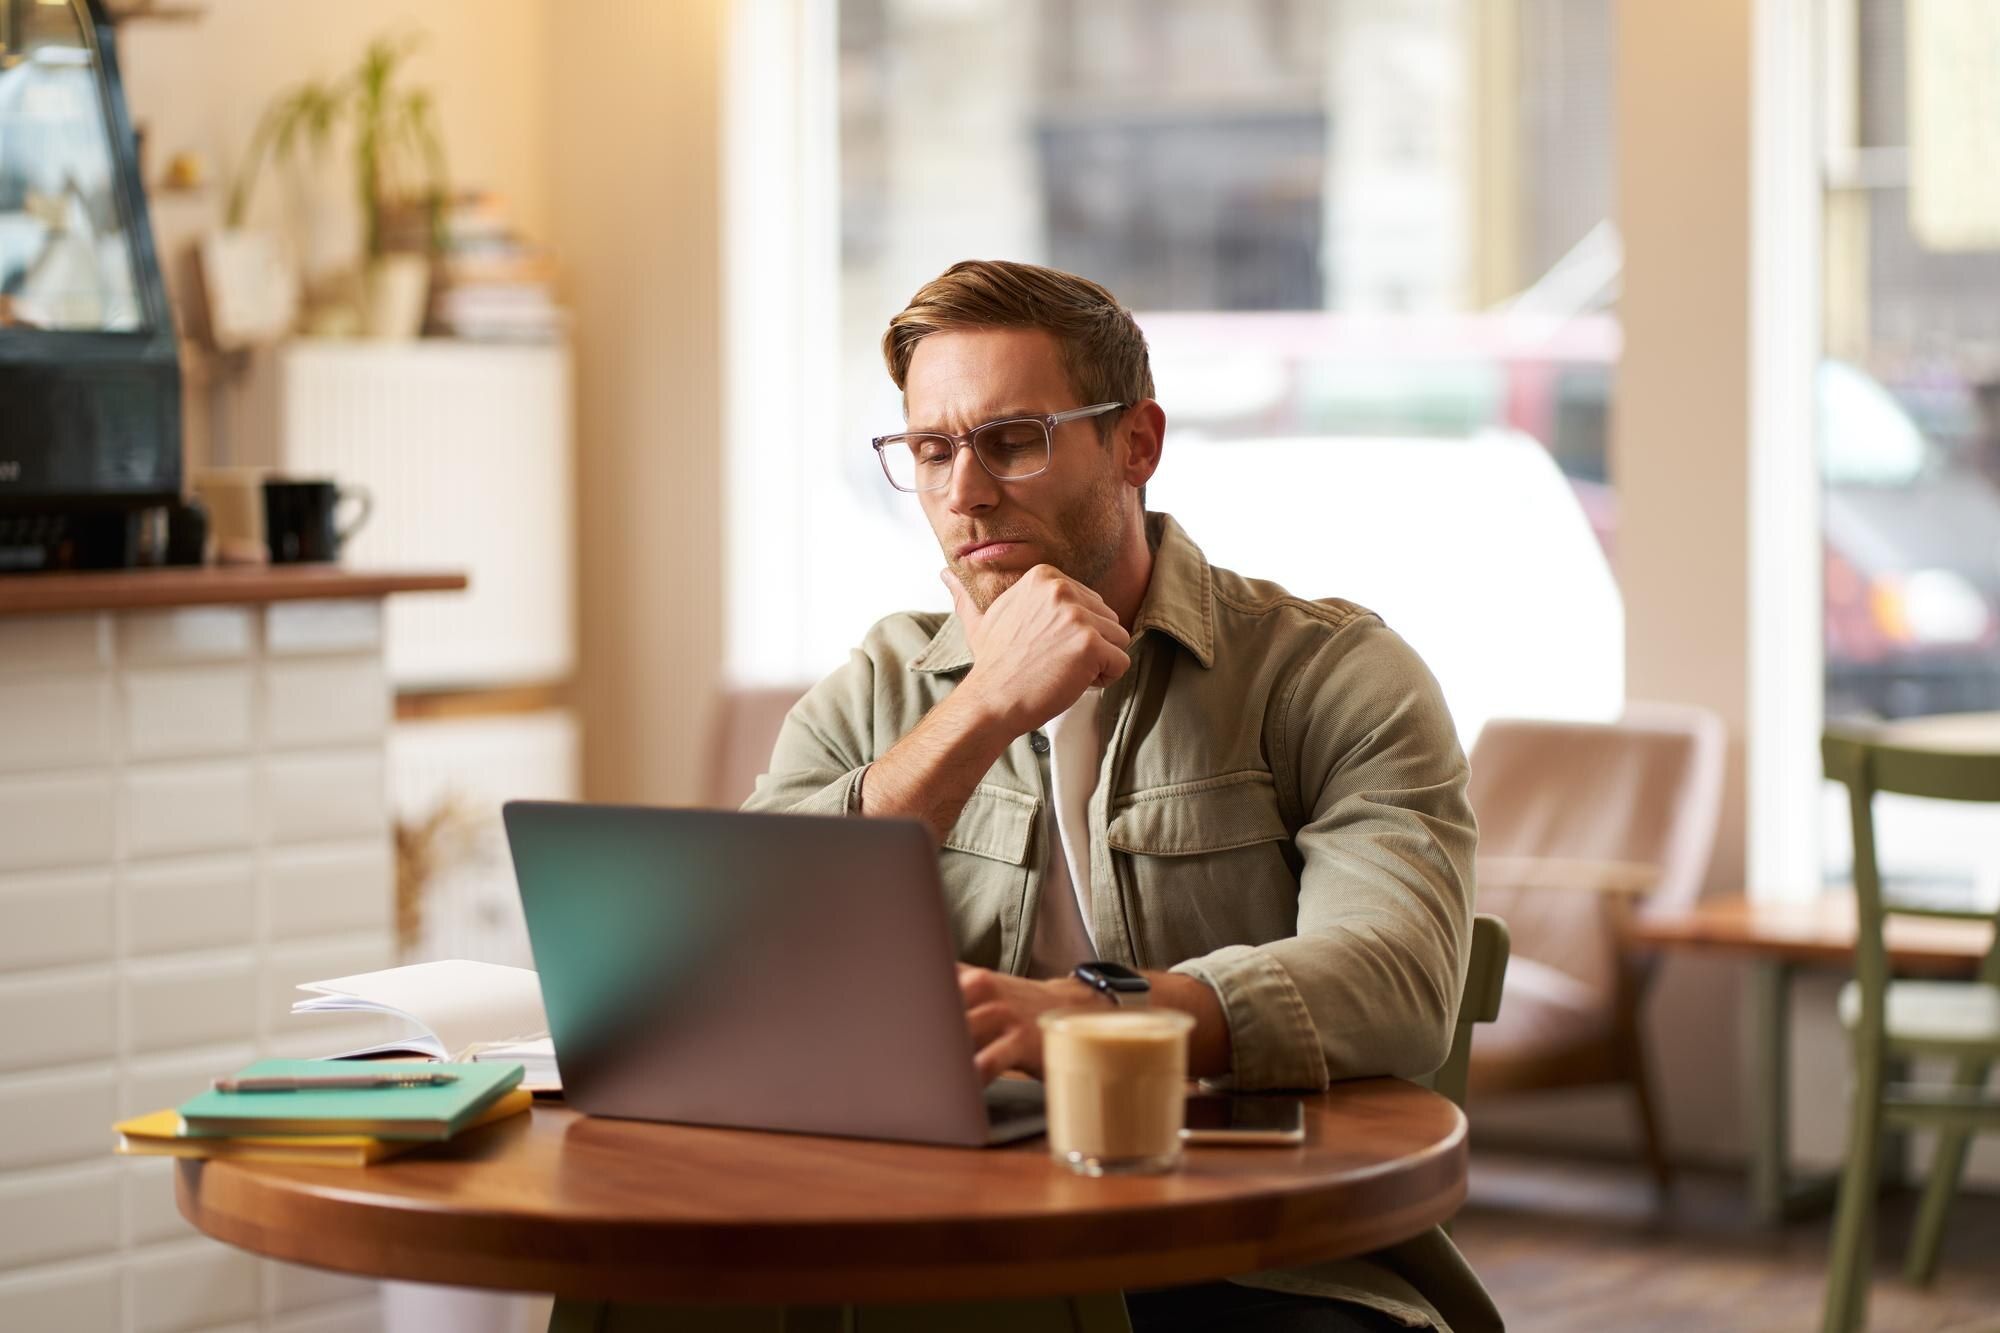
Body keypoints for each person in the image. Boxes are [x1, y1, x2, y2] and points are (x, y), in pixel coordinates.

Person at [744, 259, 1499, 1333]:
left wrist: (1098, 1019)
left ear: (1134, 442)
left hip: (1251, 1257)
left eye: (1011, 440)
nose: (962, 493)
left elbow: (1397, 971)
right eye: (929, 450)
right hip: (931, 1245)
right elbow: (742, 951)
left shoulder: (1330, 674)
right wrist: (984, 709)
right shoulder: (876, 689)